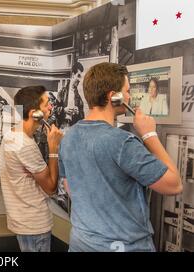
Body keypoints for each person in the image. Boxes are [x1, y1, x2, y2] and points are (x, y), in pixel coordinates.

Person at [58, 62, 183, 252]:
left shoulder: (68, 137)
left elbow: (70, 187)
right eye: (127, 91)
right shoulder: (123, 142)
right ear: (113, 96)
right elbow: (174, 185)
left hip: (81, 242)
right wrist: (150, 135)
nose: (129, 96)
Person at [0, 85, 64, 252]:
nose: (51, 107)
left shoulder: (12, 135)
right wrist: (53, 149)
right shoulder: (25, 145)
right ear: (34, 113)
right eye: (47, 104)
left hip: (24, 220)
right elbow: (50, 187)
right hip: (34, 224)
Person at [53, 62, 85, 129]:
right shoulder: (62, 92)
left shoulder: (78, 96)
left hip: (73, 128)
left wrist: (78, 112)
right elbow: (53, 110)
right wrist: (64, 110)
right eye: (78, 76)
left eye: (81, 77)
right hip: (62, 126)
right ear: (73, 75)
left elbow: (82, 117)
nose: (79, 80)